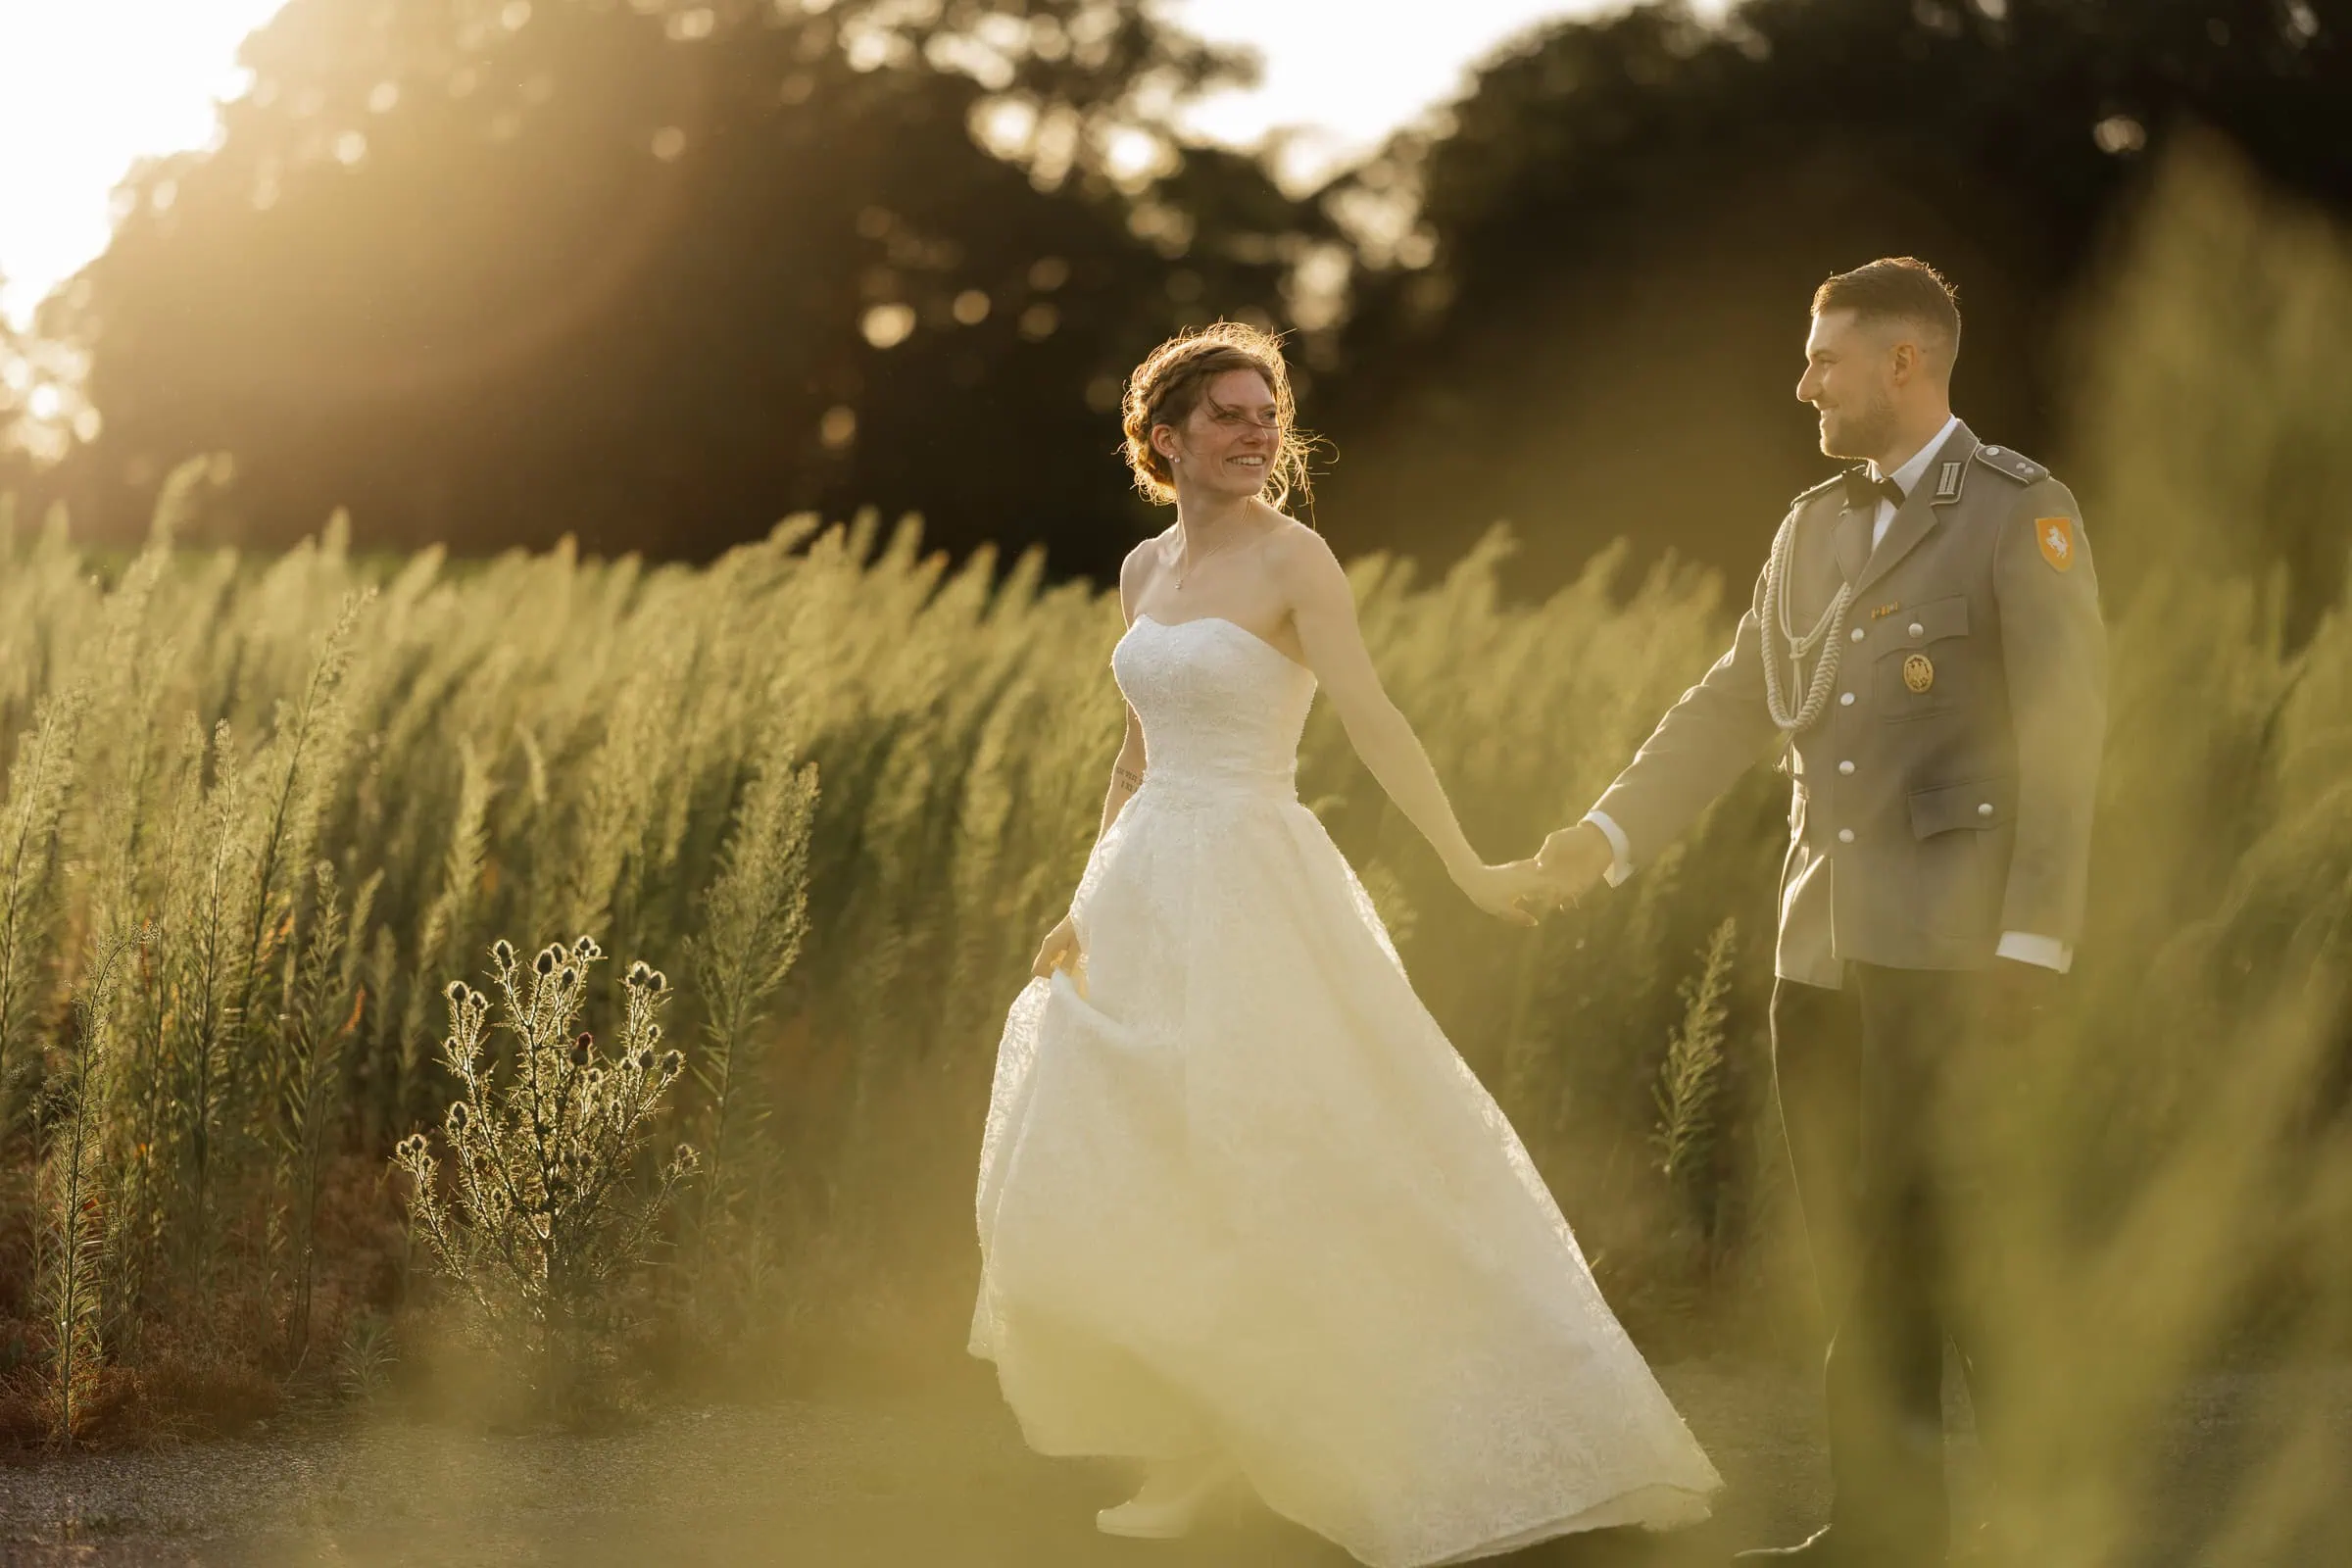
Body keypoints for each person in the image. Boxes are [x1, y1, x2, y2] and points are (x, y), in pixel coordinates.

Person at [968, 320, 1721, 1567]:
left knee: (1280, 1145)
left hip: (1257, 881)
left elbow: (1374, 723)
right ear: (1164, 439)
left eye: (1268, 411)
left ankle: (1357, 1430)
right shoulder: (1142, 570)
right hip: (1145, 880)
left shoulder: (1295, 558)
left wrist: (1469, 865)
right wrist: (1081, 897)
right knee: (1142, 1146)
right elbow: (1132, 755)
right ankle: (1191, 1438)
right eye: (1227, 412)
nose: (1258, 430)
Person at [1534, 258, 2108, 1565]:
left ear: (1905, 363)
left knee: (1945, 1244)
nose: (1805, 385)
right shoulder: (1811, 526)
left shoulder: (2023, 510)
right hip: (1824, 955)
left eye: (1825, 361)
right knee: (1858, 1250)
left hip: (1962, 956)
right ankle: (1881, 1532)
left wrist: (2036, 939)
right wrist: (1606, 839)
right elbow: (1733, 702)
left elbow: (2070, 739)